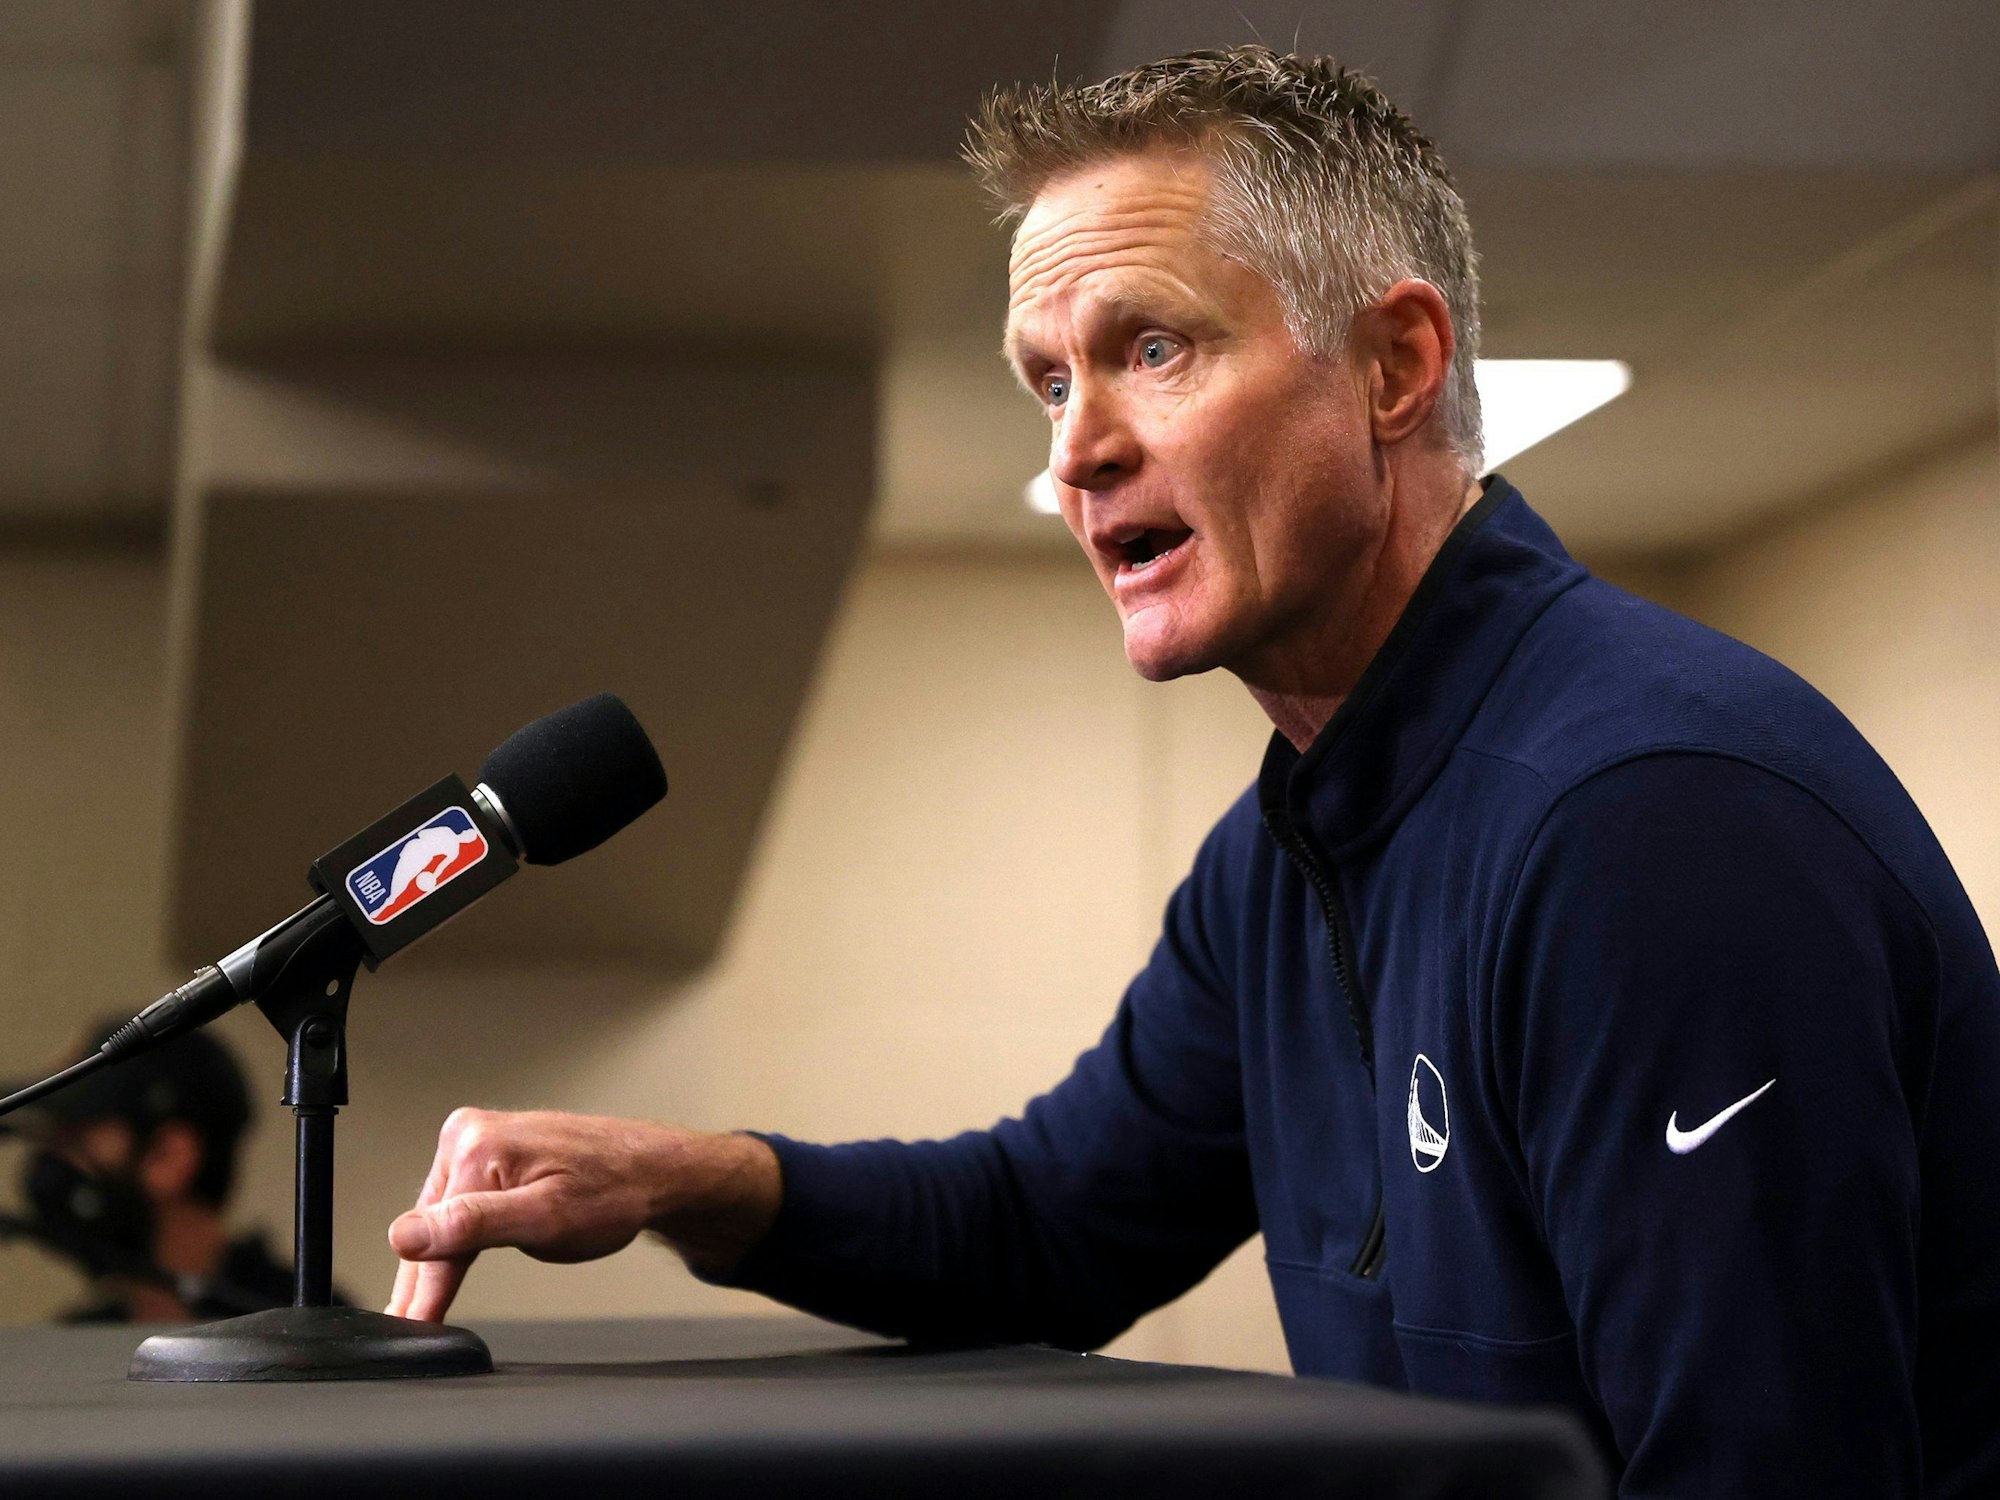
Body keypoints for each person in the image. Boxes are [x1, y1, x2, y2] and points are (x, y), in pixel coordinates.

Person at [383, 47, 2000, 1496]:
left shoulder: (1643, 821)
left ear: (1393, 367)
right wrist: (687, 1177)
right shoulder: (1291, 848)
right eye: (1048, 380)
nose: (1074, 447)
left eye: (1150, 348)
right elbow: (1048, 1228)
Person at [6, 1019, 299, 1322]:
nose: (51, 1164)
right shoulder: (75, 1342)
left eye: (73, 1139)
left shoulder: (307, 1325)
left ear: (167, 1157)